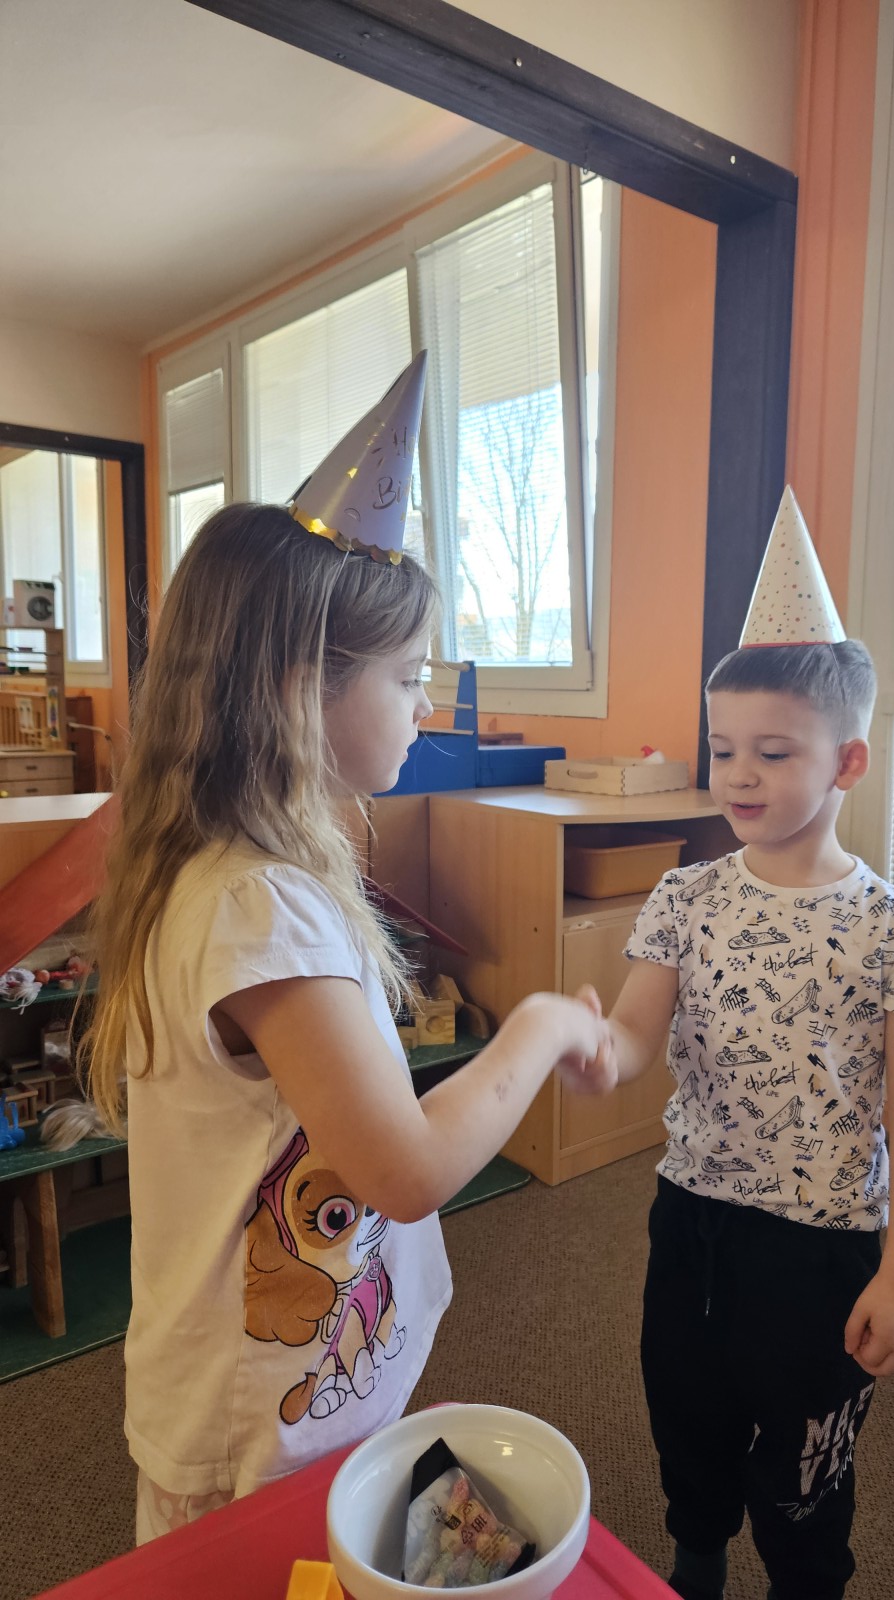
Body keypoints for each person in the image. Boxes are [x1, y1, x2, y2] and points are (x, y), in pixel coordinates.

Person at [81, 357, 614, 1543]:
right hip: (256, 1424)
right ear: (297, 689)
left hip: (300, 1378)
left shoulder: (234, 869)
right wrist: (537, 1026)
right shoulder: (259, 905)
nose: (426, 704)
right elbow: (405, 1168)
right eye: (410, 676)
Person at [605, 489, 894, 1600]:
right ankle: (696, 1561)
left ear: (847, 763)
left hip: (823, 1243)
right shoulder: (684, 897)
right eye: (723, 749)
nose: (739, 774)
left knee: (805, 1471)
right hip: (695, 1219)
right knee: (687, 1414)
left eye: (772, 751)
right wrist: (580, 1047)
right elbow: (631, 1037)